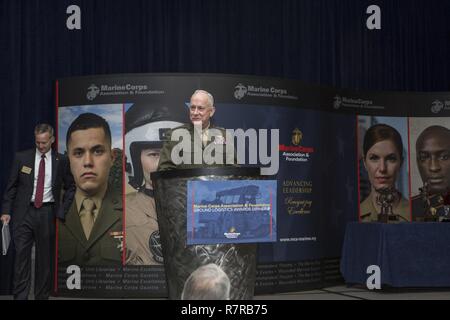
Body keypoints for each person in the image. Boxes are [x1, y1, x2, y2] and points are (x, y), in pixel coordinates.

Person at [1, 124, 71, 300]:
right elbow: (11, 187)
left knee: (44, 262)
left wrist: (62, 211)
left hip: (47, 213)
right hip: (23, 214)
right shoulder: (21, 158)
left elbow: (71, 187)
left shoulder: (61, 160)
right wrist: (6, 211)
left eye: (44, 143)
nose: (41, 146)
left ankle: (41, 297)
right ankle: (20, 297)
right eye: (38, 142)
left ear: (53, 140)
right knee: (21, 260)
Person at [57, 113, 122, 267]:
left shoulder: (131, 210)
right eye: (78, 153)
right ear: (69, 160)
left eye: (97, 151)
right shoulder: (52, 209)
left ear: (112, 157)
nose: (88, 162)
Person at [124, 104, 182, 265]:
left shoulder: (203, 209)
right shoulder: (121, 213)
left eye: (175, 153)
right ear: (133, 160)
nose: (165, 164)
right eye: (154, 154)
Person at [157, 89, 234, 171]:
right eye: (192, 108)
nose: (195, 113)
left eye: (200, 108)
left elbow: (234, 170)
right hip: (185, 184)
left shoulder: (224, 135)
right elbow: (164, 171)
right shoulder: (174, 135)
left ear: (211, 111)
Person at [359, 124, 410, 222]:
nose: (382, 168)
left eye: (391, 159)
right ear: (365, 163)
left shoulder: (416, 215)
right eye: (374, 158)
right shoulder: (353, 216)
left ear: (401, 163)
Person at [411, 125, 450, 219]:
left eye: (444, 157)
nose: (433, 167)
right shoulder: (411, 207)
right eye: (424, 157)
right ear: (417, 162)